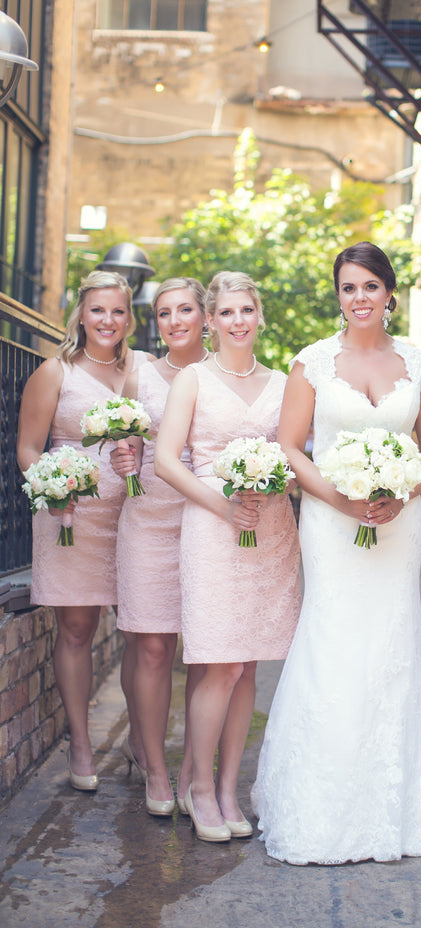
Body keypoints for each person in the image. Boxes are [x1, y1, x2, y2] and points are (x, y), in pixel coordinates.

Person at [251, 241, 421, 864]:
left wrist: (405, 490)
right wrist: (343, 498)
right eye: (349, 287)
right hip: (331, 523)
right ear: (339, 295)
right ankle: (322, 807)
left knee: (392, 643)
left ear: (389, 293)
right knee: (333, 642)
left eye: (371, 287)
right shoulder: (311, 364)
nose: (360, 298)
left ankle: (402, 806)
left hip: (399, 522)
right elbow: (292, 447)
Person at [154, 271, 301, 843]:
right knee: (219, 663)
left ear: (259, 316)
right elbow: (168, 461)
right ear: (210, 321)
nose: (238, 321)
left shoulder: (284, 381)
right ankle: (197, 788)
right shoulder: (192, 379)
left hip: (269, 530)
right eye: (227, 313)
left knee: (250, 667)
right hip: (213, 528)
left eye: (247, 310)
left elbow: (294, 455)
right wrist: (222, 504)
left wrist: (276, 485)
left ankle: (228, 789)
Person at [16, 270, 148, 791]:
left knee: (143, 633)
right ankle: (81, 741)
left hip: (133, 516)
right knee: (76, 629)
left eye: (118, 311)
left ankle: (142, 741)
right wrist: (51, 487)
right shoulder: (55, 372)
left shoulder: (140, 370)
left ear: (129, 317)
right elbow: (29, 448)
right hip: (69, 516)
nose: (108, 321)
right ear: (81, 313)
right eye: (98, 310)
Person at [112, 277, 208, 817]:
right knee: (152, 647)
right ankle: (153, 766)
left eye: (185, 310)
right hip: (147, 516)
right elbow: (123, 438)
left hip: (205, 520)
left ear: (204, 315)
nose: (174, 321)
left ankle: (195, 767)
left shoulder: (220, 371)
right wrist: (123, 455)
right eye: (164, 313)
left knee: (200, 649)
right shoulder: (140, 373)